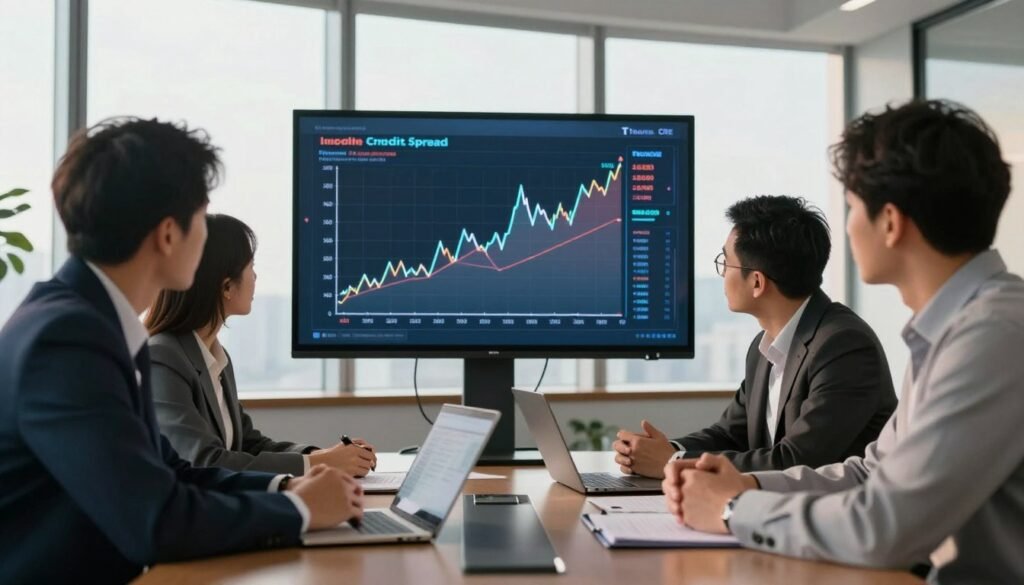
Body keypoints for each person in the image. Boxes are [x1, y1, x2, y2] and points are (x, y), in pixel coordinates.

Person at [664, 100, 1023, 584]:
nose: (848, 226)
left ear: (890, 222)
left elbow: (884, 527)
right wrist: (746, 484)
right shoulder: (951, 330)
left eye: (852, 207)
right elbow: (867, 474)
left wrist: (734, 509)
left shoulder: (993, 335)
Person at [0, 118, 363, 584]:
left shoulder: (93, 322)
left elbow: (172, 473)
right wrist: (300, 510)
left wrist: (288, 485)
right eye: (202, 220)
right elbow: (155, 521)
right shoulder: (68, 340)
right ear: (169, 234)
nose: (205, 237)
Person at [614, 195, 897, 476]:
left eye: (726, 263)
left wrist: (672, 462)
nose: (722, 274)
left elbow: (798, 461)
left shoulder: (844, 346)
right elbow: (730, 435)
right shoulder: (764, 347)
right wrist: (664, 450)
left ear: (757, 282)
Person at [146, 214, 376, 477]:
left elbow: (249, 444)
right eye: (251, 266)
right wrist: (320, 463)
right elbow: (204, 461)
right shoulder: (163, 357)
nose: (255, 276)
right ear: (226, 287)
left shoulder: (216, 358)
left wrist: (323, 456)